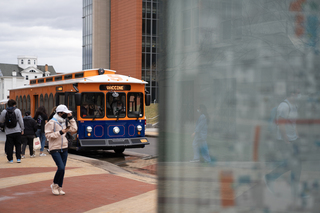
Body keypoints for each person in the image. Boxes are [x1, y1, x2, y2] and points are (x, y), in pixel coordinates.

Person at [265, 88, 301, 197]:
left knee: (295, 164)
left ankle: (292, 186)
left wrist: (297, 137)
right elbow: (281, 125)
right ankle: (271, 177)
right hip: (284, 140)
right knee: (291, 163)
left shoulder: (293, 107)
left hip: (292, 140)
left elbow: (294, 124)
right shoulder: (283, 107)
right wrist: (286, 139)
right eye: (297, 94)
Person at [45, 104, 77, 195]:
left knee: (63, 169)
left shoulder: (65, 122)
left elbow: (75, 128)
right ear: (59, 113)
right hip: (54, 148)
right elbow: (48, 135)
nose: (66, 115)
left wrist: (71, 118)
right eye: (65, 113)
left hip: (64, 147)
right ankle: (54, 185)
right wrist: (60, 132)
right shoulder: (51, 122)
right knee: (61, 167)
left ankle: (60, 187)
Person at [0, 99, 24, 163]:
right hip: (17, 130)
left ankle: (10, 159)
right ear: (14, 104)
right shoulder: (17, 110)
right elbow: (21, 121)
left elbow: (1, 120)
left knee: (10, 145)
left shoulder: (4, 111)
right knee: (18, 145)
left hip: (8, 131)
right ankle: (18, 158)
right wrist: (22, 129)